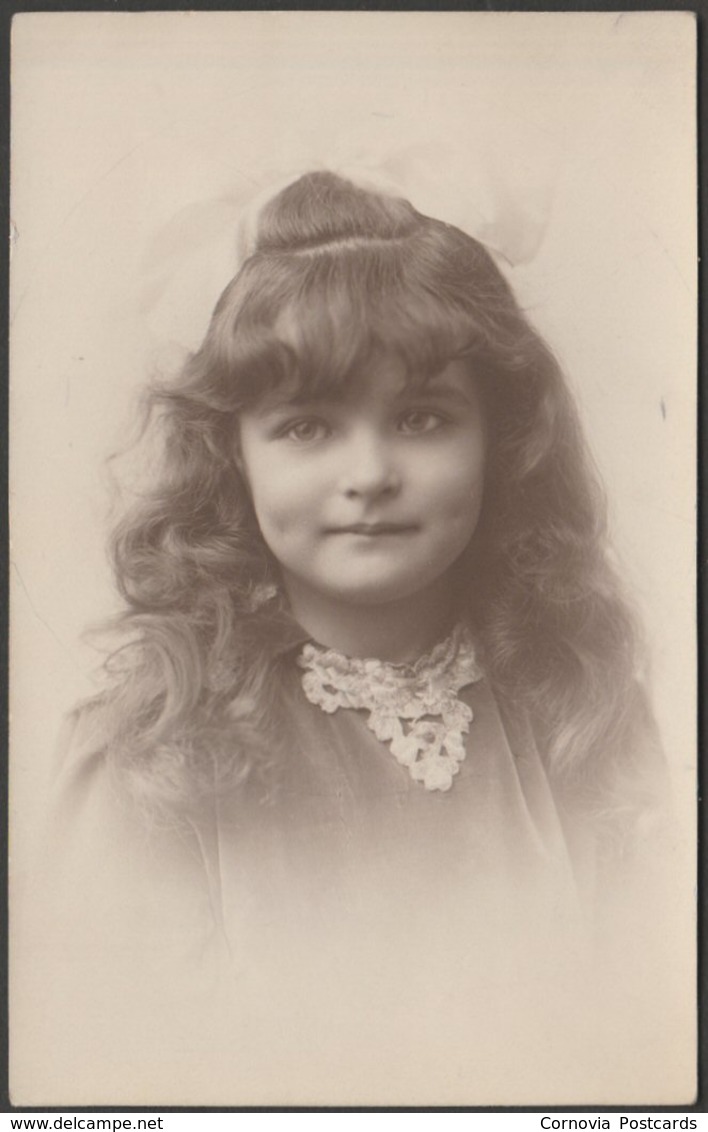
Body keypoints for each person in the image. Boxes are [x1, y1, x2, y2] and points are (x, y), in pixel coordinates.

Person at [15, 171, 671, 1105]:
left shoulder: (578, 707)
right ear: (231, 456)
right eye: (308, 426)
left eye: (421, 418)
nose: (369, 473)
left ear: (502, 438)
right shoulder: (150, 748)